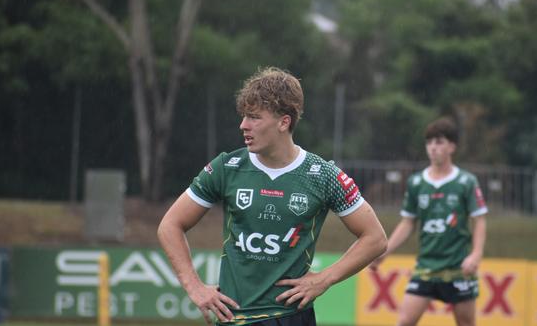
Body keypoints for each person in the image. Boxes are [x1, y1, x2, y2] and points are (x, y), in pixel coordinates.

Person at [158, 67, 387, 326]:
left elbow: (376, 238)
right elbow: (170, 225)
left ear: (283, 122)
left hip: (289, 317)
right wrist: (195, 287)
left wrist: (324, 279)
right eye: (244, 116)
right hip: (233, 317)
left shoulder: (323, 175)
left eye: (255, 117)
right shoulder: (227, 167)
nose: (243, 125)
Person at [370, 117, 488, 326]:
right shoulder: (416, 182)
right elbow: (407, 223)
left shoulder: (466, 182)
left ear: (451, 147)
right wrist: (384, 251)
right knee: (404, 322)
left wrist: (476, 254)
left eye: (439, 142)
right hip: (426, 267)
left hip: (458, 268)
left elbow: (479, 220)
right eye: (429, 142)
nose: (433, 147)